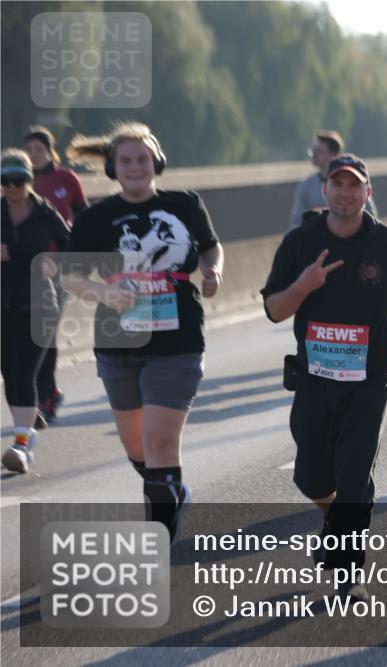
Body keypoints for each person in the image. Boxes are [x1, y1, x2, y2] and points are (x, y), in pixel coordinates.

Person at [262, 154, 387, 602]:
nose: (344, 193)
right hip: (314, 381)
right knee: (311, 478)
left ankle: (348, 572)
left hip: (368, 383)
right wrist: (303, 285)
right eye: (336, 185)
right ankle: (334, 518)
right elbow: (274, 310)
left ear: (368, 193)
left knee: (355, 477)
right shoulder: (300, 242)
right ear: (324, 190)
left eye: (354, 185)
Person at [61, 122, 224, 541]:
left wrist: (213, 270)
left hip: (178, 343)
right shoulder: (97, 218)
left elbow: (210, 246)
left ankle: (159, 533)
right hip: (119, 343)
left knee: (159, 443)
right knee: (139, 450)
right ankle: (170, 489)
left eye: (143, 159)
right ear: (114, 168)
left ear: (157, 162)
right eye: (126, 160)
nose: (136, 167)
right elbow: (70, 277)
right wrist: (103, 292)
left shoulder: (184, 204)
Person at [1, 150, 70, 473]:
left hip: (40, 304)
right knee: (9, 377)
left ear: (30, 180)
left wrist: (54, 263)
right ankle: (27, 425)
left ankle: (21, 446)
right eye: (6, 181)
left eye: (19, 180)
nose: (12, 187)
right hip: (4, 306)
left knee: (24, 374)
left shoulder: (45, 213)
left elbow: (72, 245)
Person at [24, 125, 88, 423]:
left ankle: (46, 393)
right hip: (24, 266)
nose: (34, 155)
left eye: (39, 150)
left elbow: (83, 217)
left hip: (58, 262)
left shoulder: (66, 179)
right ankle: (43, 391)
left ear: (50, 152)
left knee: (46, 328)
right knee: (27, 332)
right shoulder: (18, 183)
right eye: (29, 150)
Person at [289, 131, 376, 229]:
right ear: (324, 189)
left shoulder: (356, 180)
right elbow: (296, 221)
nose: (313, 155)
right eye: (312, 151)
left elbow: (371, 215)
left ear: (333, 154)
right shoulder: (306, 185)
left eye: (318, 151)